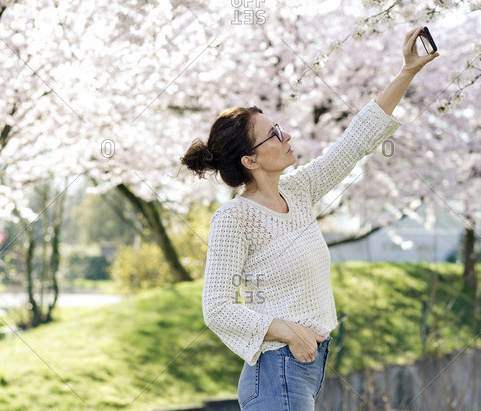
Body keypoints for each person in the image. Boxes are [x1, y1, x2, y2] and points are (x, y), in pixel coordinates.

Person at [180, 26, 439, 410]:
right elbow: (216, 308)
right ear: (250, 161)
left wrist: (407, 72)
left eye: (279, 128)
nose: (287, 136)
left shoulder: (298, 192)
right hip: (276, 371)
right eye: (273, 134)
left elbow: (358, 139)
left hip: (303, 370)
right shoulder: (234, 219)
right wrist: (289, 332)